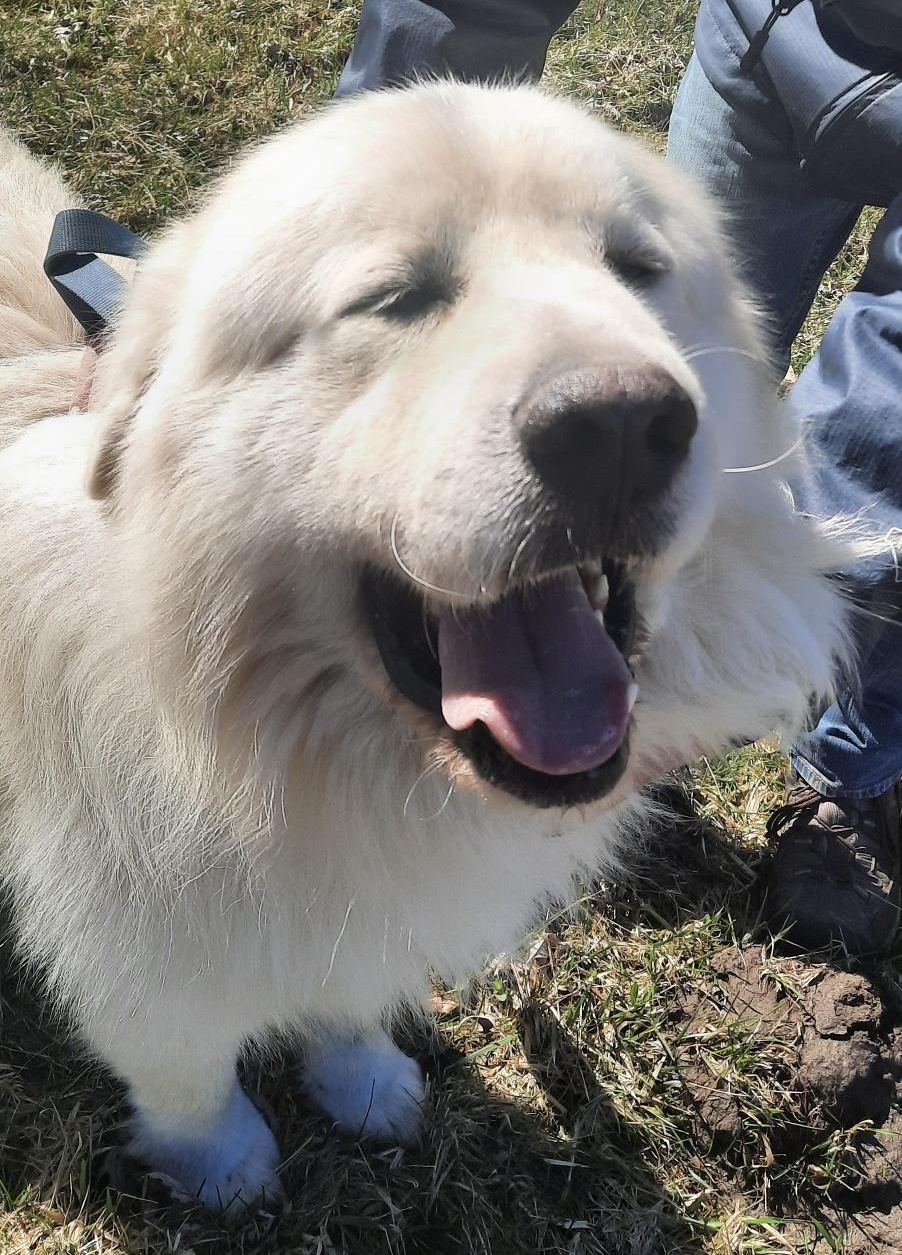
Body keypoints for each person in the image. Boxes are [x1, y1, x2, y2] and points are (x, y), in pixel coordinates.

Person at [337, 0, 902, 958]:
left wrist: (794, 565)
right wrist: (354, 203)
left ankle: (841, 765)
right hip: (774, 33)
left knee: (873, 505)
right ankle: (610, 681)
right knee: (672, 329)